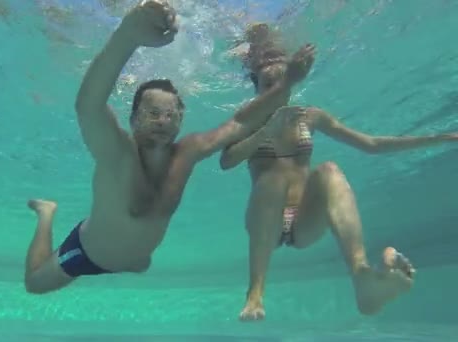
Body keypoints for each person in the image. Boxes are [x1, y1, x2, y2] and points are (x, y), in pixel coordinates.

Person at [22, 1, 315, 294]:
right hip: (89, 254)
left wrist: (286, 84)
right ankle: (47, 213)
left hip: (135, 258)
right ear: (134, 118)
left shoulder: (187, 153)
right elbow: (88, 106)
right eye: (152, 114)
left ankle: (130, 259)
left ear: (181, 119)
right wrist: (127, 37)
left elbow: (239, 123)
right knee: (35, 283)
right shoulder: (119, 152)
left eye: (170, 114)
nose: (162, 121)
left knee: (140, 263)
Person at [220, 22, 458, 321]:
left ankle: (362, 277)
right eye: (269, 84)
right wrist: (266, 131)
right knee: (272, 178)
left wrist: (437, 137)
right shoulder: (248, 120)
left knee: (330, 170)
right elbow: (226, 160)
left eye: (284, 82)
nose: (279, 91)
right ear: (256, 85)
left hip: (305, 221)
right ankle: (255, 294)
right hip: (265, 221)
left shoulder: (310, 116)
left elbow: (370, 144)